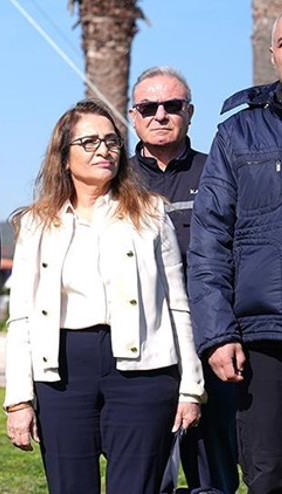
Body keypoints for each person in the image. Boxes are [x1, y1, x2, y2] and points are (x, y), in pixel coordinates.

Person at [4, 99, 204, 494]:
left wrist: (191, 387)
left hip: (144, 373)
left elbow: (177, 303)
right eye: (90, 141)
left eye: (112, 142)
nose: (104, 150)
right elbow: (21, 317)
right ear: (64, 157)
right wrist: (18, 401)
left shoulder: (150, 213)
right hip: (61, 374)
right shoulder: (35, 223)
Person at [129, 66, 238, 494]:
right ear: (133, 116)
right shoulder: (117, 182)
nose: (160, 115)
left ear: (190, 112)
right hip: (145, 351)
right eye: (148, 107)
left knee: (215, 470)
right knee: (147, 472)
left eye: (171, 106)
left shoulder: (219, 172)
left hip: (212, 342)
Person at [188, 11, 282, 493]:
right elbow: (208, 241)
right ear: (273, 54)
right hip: (266, 337)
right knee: (266, 475)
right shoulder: (238, 135)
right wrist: (218, 334)